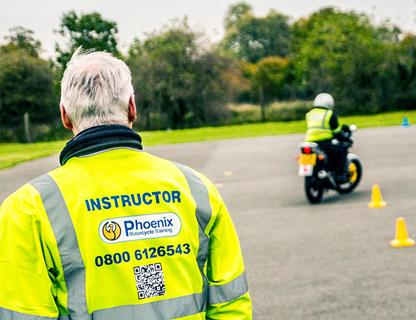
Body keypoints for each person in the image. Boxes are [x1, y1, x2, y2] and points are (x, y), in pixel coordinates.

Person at [0, 50, 252, 320]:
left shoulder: (27, 209)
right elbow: (230, 305)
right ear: (132, 107)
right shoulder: (197, 188)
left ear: (65, 116)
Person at [304, 93, 347, 179]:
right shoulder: (329, 114)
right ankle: (340, 174)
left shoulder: (309, 114)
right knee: (342, 150)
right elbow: (336, 132)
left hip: (308, 142)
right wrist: (344, 138)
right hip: (324, 142)